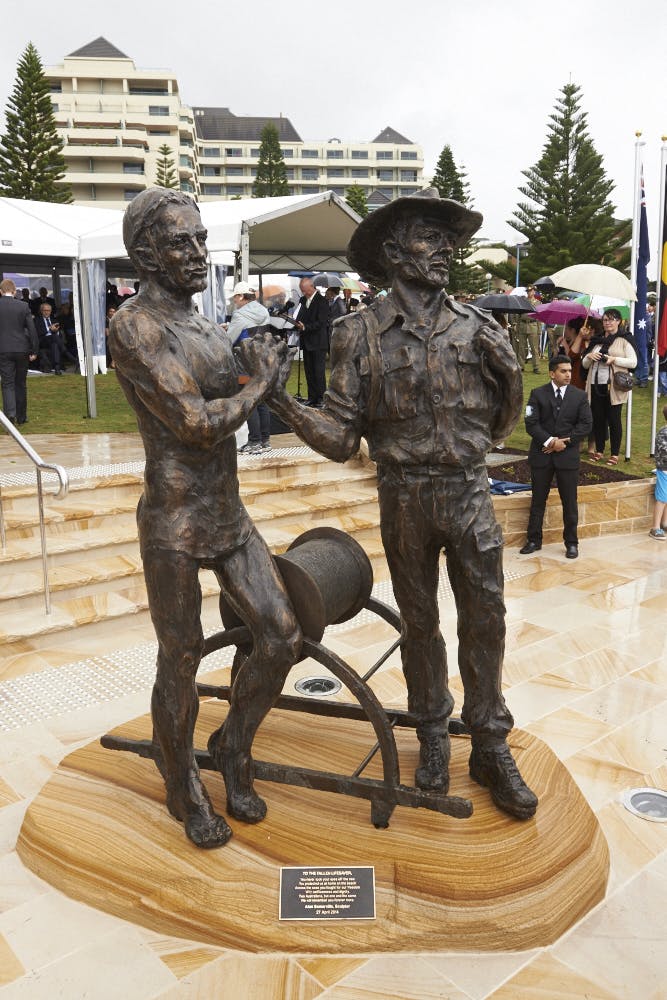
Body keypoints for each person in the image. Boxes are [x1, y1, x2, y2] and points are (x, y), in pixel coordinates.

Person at [238, 188, 538, 820]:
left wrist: (481, 434)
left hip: (468, 492)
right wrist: (280, 400)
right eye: (432, 238)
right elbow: (342, 437)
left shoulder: (478, 326)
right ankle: (432, 732)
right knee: (420, 622)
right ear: (396, 253)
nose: (446, 251)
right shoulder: (358, 334)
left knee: (486, 618)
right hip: (404, 496)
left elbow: (508, 409)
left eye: (447, 238)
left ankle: (489, 741)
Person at [108, 188, 301, 848]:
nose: (197, 252)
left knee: (280, 633)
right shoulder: (136, 327)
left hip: (227, 513)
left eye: (200, 238)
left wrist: (251, 370)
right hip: (174, 522)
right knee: (181, 655)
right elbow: (192, 424)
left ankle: (232, 746)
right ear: (145, 256)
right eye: (180, 242)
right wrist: (258, 386)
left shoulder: (206, 324)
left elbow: (227, 395)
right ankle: (181, 782)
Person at [519, 354, 593, 559]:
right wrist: (550, 442)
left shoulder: (579, 396)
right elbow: (531, 423)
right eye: (563, 371)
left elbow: (586, 425)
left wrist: (564, 442)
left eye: (570, 370)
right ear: (552, 373)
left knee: (569, 502)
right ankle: (534, 540)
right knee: (538, 500)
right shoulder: (537, 394)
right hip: (542, 456)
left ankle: (571, 543)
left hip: (567, 457)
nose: (568, 374)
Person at [581, 309, 637, 465]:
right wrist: (589, 357)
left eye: (611, 320)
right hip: (595, 384)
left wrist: (614, 359)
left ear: (618, 321)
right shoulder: (596, 340)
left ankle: (614, 454)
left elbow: (633, 362)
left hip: (614, 386)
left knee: (614, 419)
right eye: (605, 320)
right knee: (598, 418)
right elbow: (584, 365)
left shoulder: (625, 339)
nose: (608, 323)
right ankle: (599, 450)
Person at [225, 282, 272, 454]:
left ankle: (254, 442)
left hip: (244, 364)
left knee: (248, 401)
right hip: (263, 362)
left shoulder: (239, 314)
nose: (235, 301)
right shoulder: (263, 310)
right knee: (261, 401)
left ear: (242, 296)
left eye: (236, 297)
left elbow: (229, 340)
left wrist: (226, 330)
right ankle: (265, 440)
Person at [0, 278, 38, 425]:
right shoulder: (23, 306)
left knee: (7, 383)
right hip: (22, 349)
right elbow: (32, 329)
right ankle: (21, 417)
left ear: (1, 291)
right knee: (21, 383)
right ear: (15, 291)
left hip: (3, 349)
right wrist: (34, 349)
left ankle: (10, 414)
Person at [293, 277, 329, 407]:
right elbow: (299, 316)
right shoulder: (303, 300)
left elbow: (322, 322)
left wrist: (306, 327)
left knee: (318, 372)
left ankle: (321, 399)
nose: (303, 293)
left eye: (305, 290)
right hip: (306, 341)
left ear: (311, 287)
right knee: (309, 371)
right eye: (302, 290)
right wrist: (297, 324)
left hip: (318, 343)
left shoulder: (322, 301)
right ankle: (312, 397)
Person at [513, 286, 542, 373]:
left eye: (531, 291)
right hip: (522, 324)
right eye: (528, 291)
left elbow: (539, 317)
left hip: (533, 325)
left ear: (534, 292)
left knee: (534, 348)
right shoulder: (523, 301)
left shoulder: (538, 303)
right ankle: (520, 366)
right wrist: (517, 327)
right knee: (521, 348)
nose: (529, 293)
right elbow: (518, 315)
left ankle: (536, 367)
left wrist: (539, 330)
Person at [649, 404, 667, 539]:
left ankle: (665, 523)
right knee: (661, 499)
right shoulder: (664, 432)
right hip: (665, 471)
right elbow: (662, 451)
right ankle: (655, 528)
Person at [36, 302, 66, 374]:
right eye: (45, 310)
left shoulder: (55, 320)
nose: (47, 312)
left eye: (48, 310)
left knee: (55, 343)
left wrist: (56, 331)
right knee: (54, 338)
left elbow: (60, 334)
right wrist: (49, 329)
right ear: (41, 311)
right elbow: (38, 333)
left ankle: (57, 368)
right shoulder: (37, 320)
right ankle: (65, 351)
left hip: (53, 341)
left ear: (51, 311)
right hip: (43, 341)